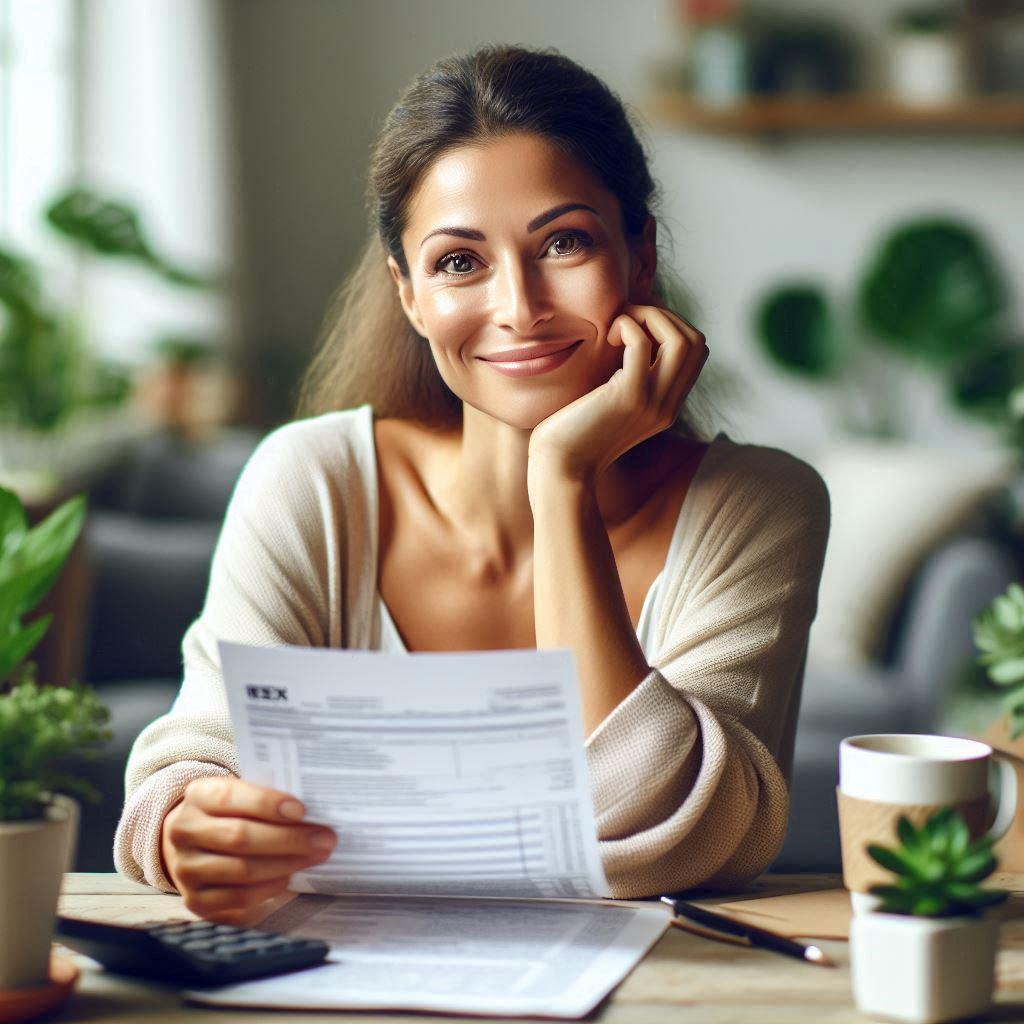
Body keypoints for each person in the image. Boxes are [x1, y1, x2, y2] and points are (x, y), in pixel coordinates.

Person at [114, 44, 830, 924]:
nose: (519, 306)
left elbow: (670, 835)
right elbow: (193, 757)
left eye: (563, 242)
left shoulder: (760, 505)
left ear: (638, 257)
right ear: (408, 294)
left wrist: (561, 478)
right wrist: (188, 823)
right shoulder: (313, 481)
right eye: (460, 261)